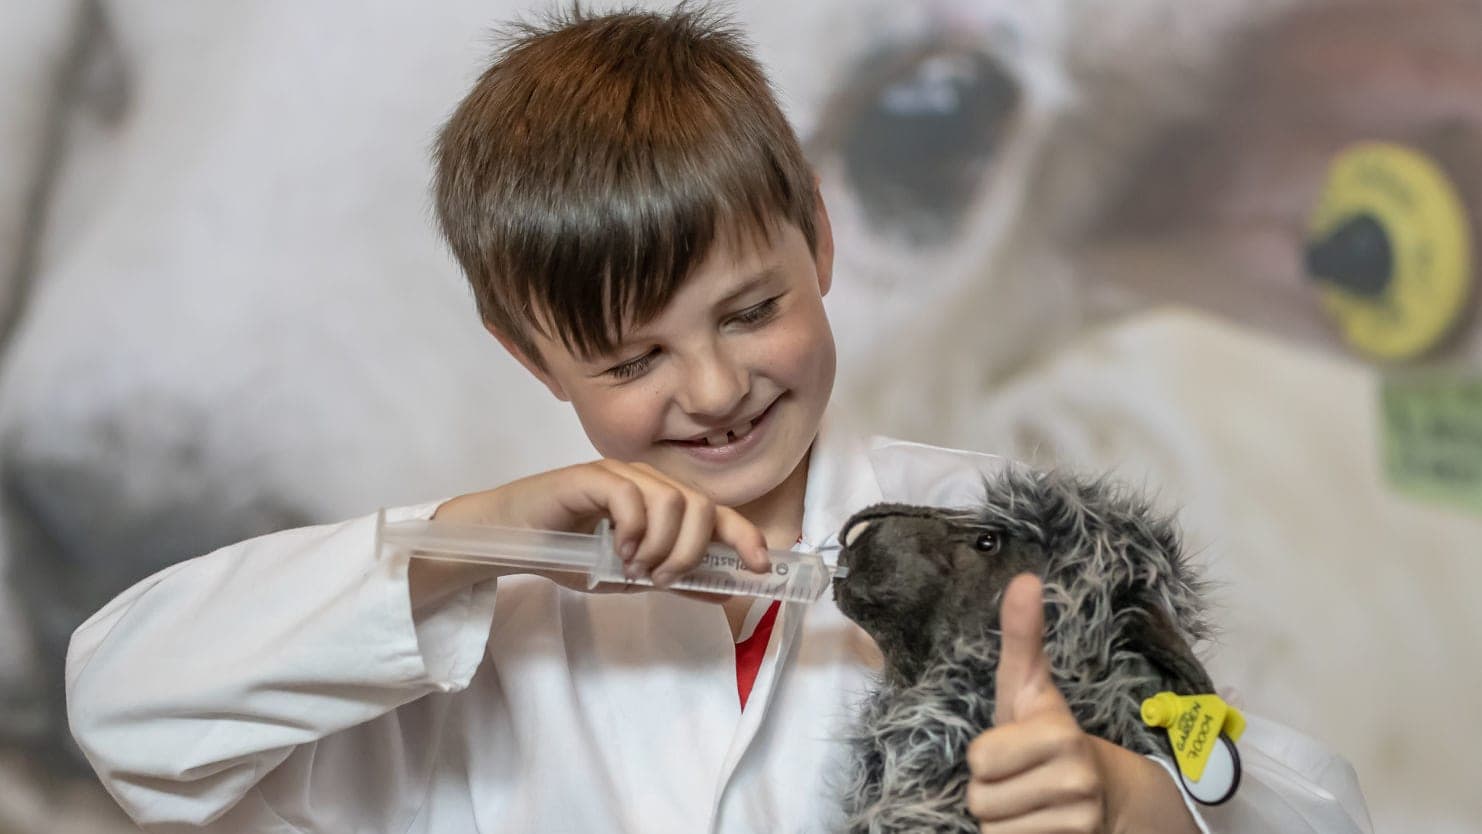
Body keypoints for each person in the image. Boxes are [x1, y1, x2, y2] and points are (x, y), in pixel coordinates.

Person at [65, 7, 1370, 833]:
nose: (709, 388)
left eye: (748, 311)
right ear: (530, 354)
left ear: (816, 234)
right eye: (630, 353)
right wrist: (460, 544)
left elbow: (1317, 805)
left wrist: (1145, 805)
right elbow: (126, 712)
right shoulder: (464, 629)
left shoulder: (1020, 553)